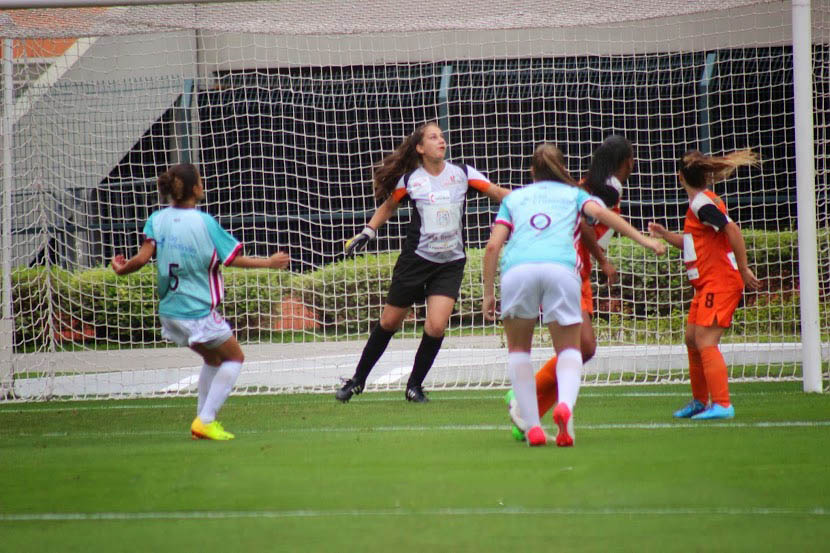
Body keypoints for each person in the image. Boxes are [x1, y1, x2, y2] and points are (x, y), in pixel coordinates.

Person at [483, 144, 665, 446]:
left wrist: (488, 293)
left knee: (519, 352)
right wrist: (645, 241)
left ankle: (533, 428)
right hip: (562, 269)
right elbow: (605, 217)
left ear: (531, 171)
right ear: (563, 168)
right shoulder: (575, 194)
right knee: (570, 349)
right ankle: (565, 406)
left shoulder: (514, 198)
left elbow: (492, 247)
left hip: (518, 270)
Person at [111, 163, 289, 440]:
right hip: (196, 311)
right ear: (195, 188)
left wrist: (122, 269)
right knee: (235, 358)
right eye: (201, 181)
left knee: (213, 358)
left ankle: (201, 424)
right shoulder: (204, 222)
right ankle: (205, 420)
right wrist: (270, 262)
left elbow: (142, 258)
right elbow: (232, 259)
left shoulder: (157, 220)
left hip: (169, 310)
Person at [335, 121, 509, 403]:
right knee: (389, 322)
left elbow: (498, 192)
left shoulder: (462, 174)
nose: (441, 141)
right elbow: (389, 205)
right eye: (433, 137)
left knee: (436, 326)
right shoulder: (411, 180)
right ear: (420, 147)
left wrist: (532, 198)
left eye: (441, 136)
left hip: (450, 263)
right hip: (415, 261)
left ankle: (414, 386)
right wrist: (368, 231)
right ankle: (357, 381)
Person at [506, 135, 632, 441]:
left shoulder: (594, 186)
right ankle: (525, 398)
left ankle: (532, 407)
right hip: (567, 271)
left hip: (570, 271)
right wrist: (603, 260)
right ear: (623, 163)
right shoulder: (598, 190)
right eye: (632, 160)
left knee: (583, 348)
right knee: (581, 347)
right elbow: (587, 225)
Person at [648, 150, 762, 420]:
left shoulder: (701, 204)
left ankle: (722, 404)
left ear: (680, 177)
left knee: (706, 340)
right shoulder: (700, 204)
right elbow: (693, 244)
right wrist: (666, 236)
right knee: (692, 339)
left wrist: (744, 268)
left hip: (719, 282)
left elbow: (731, 230)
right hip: (706, 284)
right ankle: (700, 401)